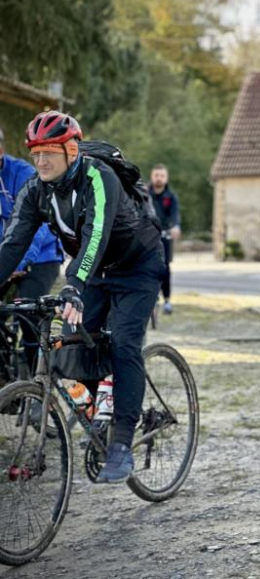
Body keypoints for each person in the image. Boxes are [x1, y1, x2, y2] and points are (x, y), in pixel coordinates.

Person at [0, 111, 163, 483]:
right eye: (35, 153)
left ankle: (122, 442)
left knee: (123, 342)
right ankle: (101, 412)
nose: (40, 161)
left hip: (137, 266)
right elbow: (11, 245)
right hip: (96, 272)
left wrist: (73, 284)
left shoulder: (97, 177)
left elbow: (95, 236)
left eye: (49, 153)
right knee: (75, 344)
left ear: (71, 150)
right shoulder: (36, 189)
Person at [0, 125, 64, 372]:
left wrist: (20, 262)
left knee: (26, 312)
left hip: (42, 257)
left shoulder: (24, 174)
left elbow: (36, 227)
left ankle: (38, 382)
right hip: (7, 257)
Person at [149, 164, 180, 315]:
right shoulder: (144, 193)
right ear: (152, 176)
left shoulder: (171, 196)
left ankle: (167, 299)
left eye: (162, 176)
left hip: (165, 236)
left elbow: (175, 215)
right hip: (147, 236)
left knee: (165, 267)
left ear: (166, 178)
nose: (159, 179)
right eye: (156, 175)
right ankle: (149, 296)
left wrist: (175, 227)